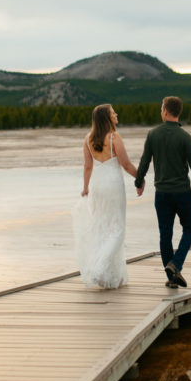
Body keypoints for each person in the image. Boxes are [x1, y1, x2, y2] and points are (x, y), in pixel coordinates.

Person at [134, 96, 191, 288]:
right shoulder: (185, 137)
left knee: (165, 234)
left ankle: (171, 277)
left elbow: (144, 161)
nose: (161, 111)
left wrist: (139, 181)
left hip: (162, 194)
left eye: (161, 108)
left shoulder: (153, 134)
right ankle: (175, 265)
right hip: (182, 192)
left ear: (166, 111)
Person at [73, 104, 138, 289]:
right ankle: (98, 268)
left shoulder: (88, 139)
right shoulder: (114, 137)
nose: (116, 115)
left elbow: (87, 166)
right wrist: (140, 178)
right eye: (113, 113)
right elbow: (126, 164)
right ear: (106, 118)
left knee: (101, 227)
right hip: (112, 185)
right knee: (117, 228)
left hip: (97, 185)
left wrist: (85, 188)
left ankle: (111, 276)